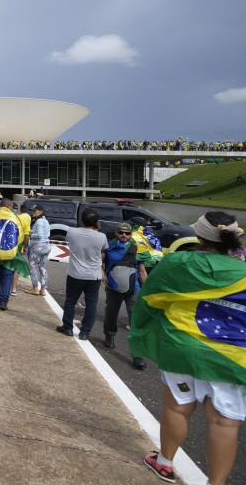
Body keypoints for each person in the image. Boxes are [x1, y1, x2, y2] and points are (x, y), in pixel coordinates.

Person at [130, 211, 246, 485]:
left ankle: (165, 463)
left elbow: (152, 297)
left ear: (199, 236)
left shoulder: (179, 262)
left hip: (182, 347)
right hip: (233, 356)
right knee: (225, 422)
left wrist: (144, 330)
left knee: (177, 408)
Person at [102, 222, 148, 370]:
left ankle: (137, 355)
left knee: (135, 319)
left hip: (133, 289)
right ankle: (109, 335)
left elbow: (141, 271)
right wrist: (103, 275)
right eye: (121, 232)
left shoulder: (137, 248)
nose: (124, 235)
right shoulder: (109, 246)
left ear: (130, 235)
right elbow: (99, 261)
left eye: (127, 233)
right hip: (114, 287)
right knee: (111, 314)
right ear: (116, 233)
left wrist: (146, 289)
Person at [56, 208, 107, 340]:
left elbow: (72, 239)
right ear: (97, 222)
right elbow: (103, 250)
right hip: (93, 275)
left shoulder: (72, 232)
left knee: (70, 301)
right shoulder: (102, 236)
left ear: (81, 220)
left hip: (75, 274)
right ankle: (85, 332)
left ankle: (67, 327)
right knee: (91, 304)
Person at [24, 204, 50, 296]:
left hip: (38, 246)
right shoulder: (46, 221)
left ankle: (35, 287)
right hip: (46, 246)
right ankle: (43, 289)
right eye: (33, 210)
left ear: (41, 212)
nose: (33, 212)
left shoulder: (39, 222)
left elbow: (39, 235)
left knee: (32, 266)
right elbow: (46, 234)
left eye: (35, 211)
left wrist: (30, 234)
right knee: (42, 267)